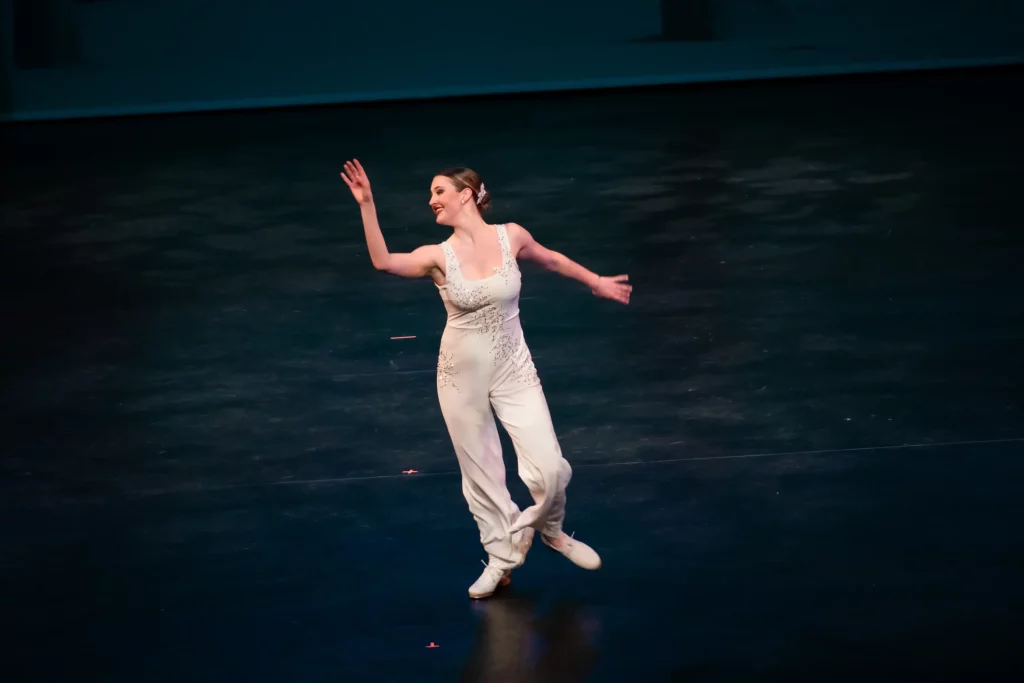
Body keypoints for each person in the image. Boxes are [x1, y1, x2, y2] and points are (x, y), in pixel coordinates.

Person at [340, 159, 631, 598]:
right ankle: (501, 557)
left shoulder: (510, 235)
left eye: (440, 191)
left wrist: (595, 281)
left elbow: (550, 259)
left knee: (549, 465)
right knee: (481, 474)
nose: (432, 199)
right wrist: (366, 204)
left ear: (467, 193)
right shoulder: (437, 256)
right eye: (430, 194)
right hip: (460, 376)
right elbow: (383, 262)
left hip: (514, 366)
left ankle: (550, 530)